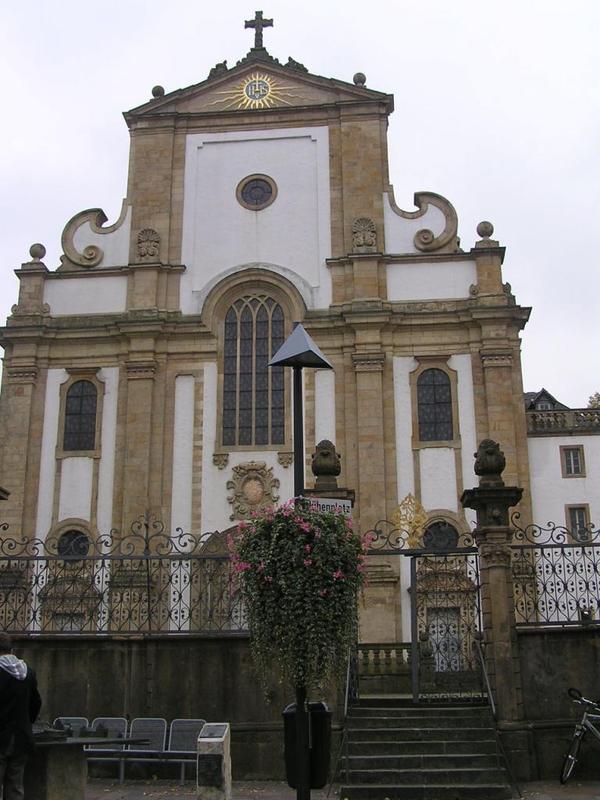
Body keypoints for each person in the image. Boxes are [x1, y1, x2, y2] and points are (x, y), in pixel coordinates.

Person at [0, 632, 42, 800]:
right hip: (21, 737)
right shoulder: (28, 672)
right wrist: (27, 722)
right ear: (11, 649)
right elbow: (36, 703)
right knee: (15, 785)